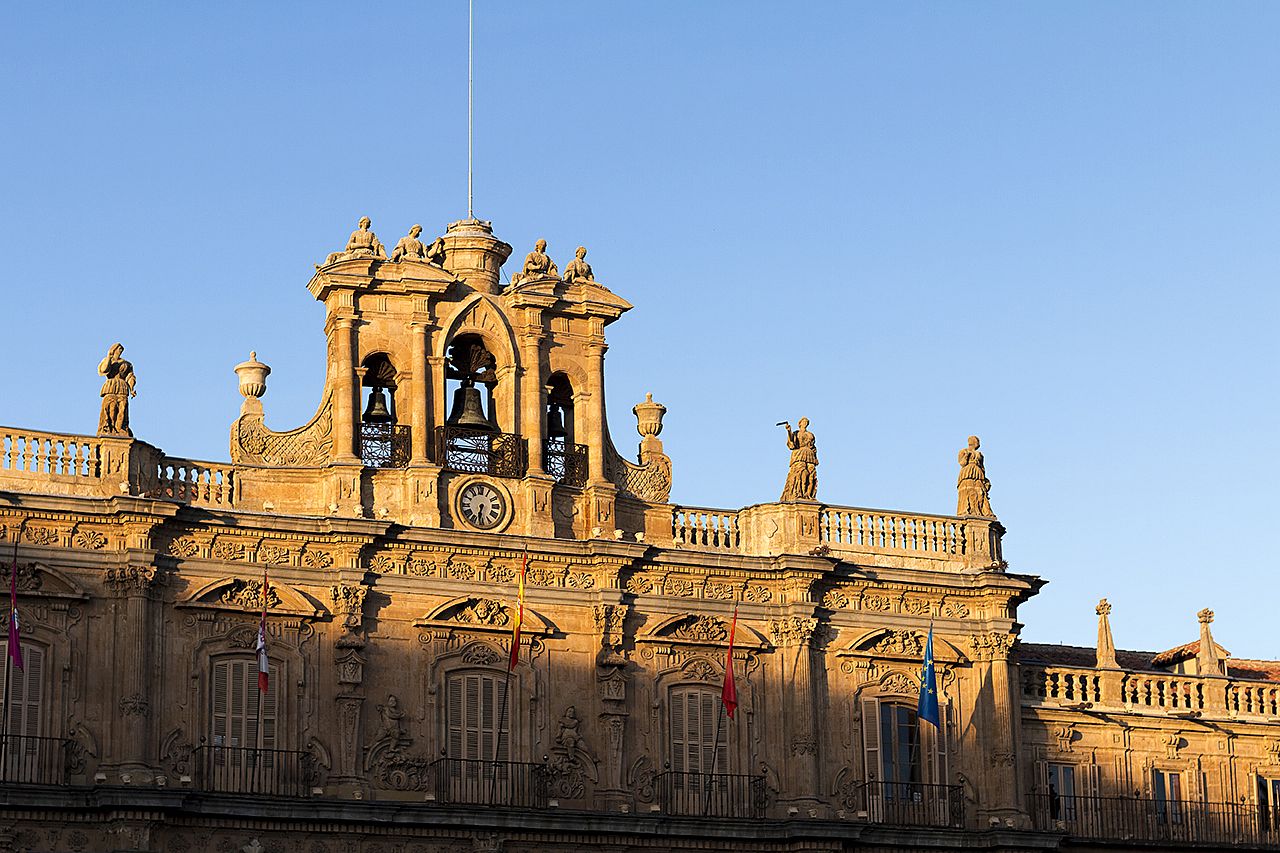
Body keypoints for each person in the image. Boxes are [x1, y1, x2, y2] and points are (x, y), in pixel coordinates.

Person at [97, 343, 136, 436]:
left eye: (121, 349)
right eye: (118, 349)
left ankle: (120, 428)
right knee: (112, 407)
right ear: (113, 350)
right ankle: (110, 427)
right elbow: (104, 370)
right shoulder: (108, 360)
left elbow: (130, 377)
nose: (120, 351)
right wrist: (109, 357)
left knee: (122, 407)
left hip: (122, 386)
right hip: (111, 386)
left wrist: (132, 389)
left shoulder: (127, 364)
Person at [780, 418, 818, 501]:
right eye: (803, 422)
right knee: (801, 472)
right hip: (799, 454)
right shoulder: (796, 433)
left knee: (811, 475)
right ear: (799, 423)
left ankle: (808, 494)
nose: (805, 423)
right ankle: (799, 493)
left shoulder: (810, 434)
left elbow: (813, 446)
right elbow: (792, 444)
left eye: (806, 422)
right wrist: (789, 431)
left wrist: (815, 456)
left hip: (810, 455)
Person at [956, 435, 995, 517]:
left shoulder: (980, 454)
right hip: (967, 473)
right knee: (968, 491)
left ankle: (982, 511)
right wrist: (966, 455)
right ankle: (968, 510)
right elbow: (962, 463)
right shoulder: (963, 451)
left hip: (978, 473)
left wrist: (985, 480)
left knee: (980, 493)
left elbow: (982, 467)